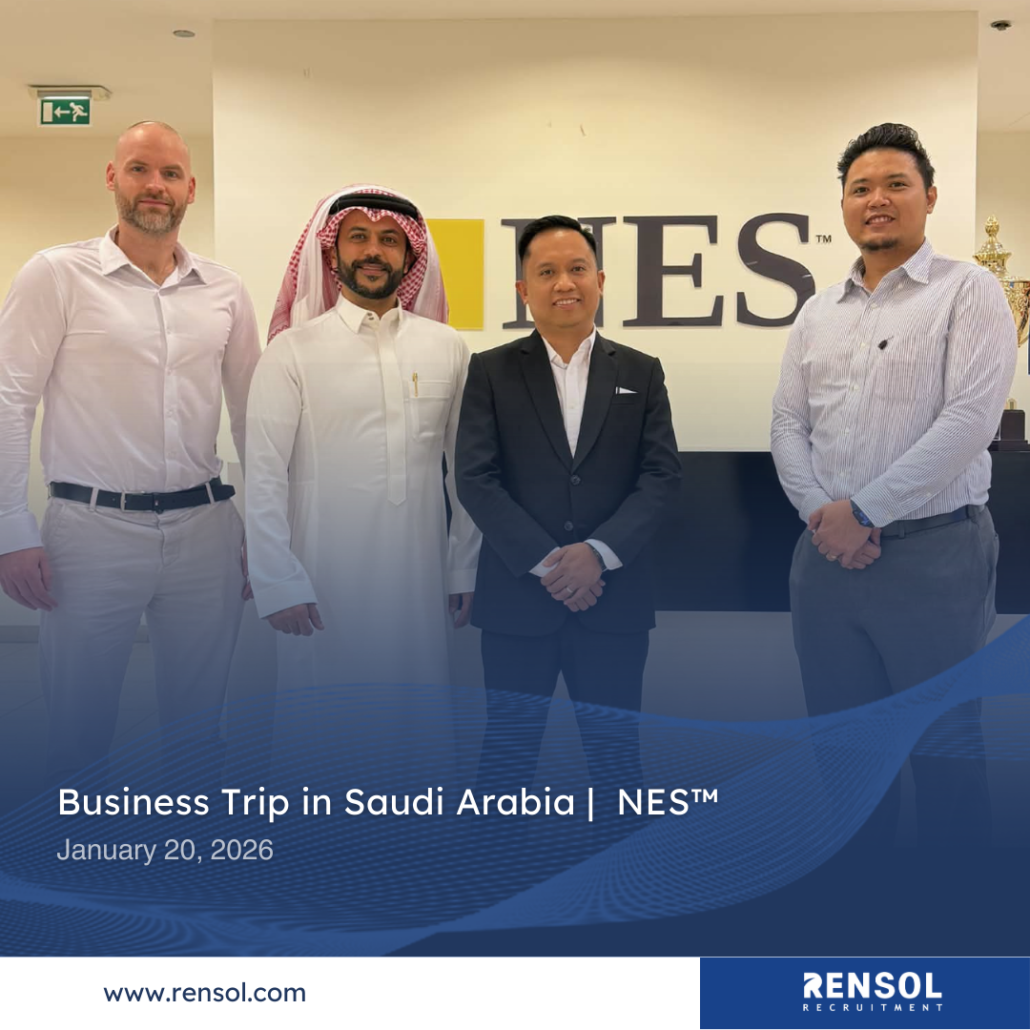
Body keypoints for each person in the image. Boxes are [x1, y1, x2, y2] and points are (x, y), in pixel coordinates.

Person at [771, 123, 1017, 847]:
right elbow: (788, 422)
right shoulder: (818, 311)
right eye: (861, 188)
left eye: (895, 184)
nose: (876, 199)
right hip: (825, 560)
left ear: (930, 197)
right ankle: (865, 896)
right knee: (844, 756)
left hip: (935, 556)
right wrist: (821, 514)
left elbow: (969, 420)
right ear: (844, 205)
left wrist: (866, 510)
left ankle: (950, 906)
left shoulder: (968, 290)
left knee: (944, 750)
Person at [0, 121, 260, 782]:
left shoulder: (225, 290)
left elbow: (254, 417)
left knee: (198, 730)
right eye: (140, 168)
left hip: (205, 530)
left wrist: (264, 529)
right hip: (90, 532)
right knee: (79, 731)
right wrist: (10, 527)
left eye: (170, 173)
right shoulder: (56, 274)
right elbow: (10, 399)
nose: (155, 185)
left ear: (191, 189)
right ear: (112, 177)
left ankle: (187, 841)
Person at [455, 215, 681, 796]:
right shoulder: (490, 370)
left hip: (614, 602)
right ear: (523, 289)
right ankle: (498, 861)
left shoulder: (641, 372)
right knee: (506, 760)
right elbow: (476, 478)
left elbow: (661, 477)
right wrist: (551, 564)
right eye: (547, 272)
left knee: (617, 760)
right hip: (517, 603)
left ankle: (621, 861)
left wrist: (598, 554)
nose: (564, 283)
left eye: (577, 268)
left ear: (599, 281)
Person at [244, 185, 480, 693]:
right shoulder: (291, 352)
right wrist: (277, 579)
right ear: (332, 252)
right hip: (320, 580)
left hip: (420, 578)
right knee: (325, 714)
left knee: (419, 707)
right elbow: (263, 475)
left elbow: (466, 472)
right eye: (357, 236)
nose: (373, 250)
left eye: (390, 239)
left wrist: (463, 567)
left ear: (410, 256)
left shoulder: (447, 347)